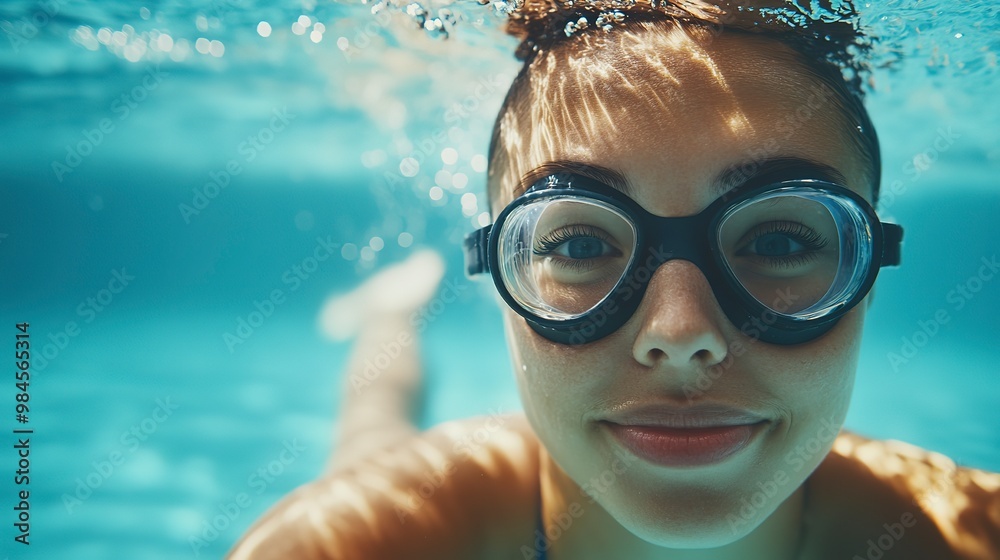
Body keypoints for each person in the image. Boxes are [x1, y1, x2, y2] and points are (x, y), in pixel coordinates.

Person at [228, 1, 1000, 558]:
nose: (682, 334)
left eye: (777, 237)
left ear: (869, 260)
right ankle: (389, 314)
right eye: (578, 246)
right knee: (375, 428)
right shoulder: (353, 544)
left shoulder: (967, 530)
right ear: (498, 268)